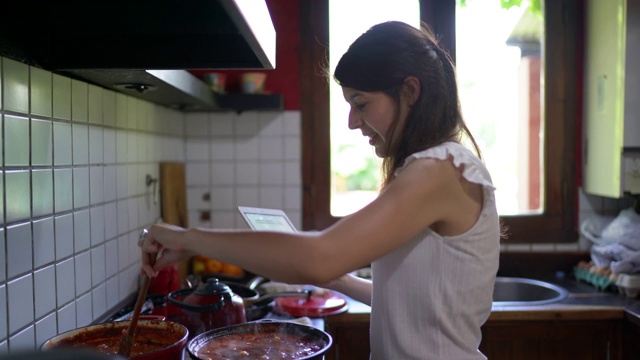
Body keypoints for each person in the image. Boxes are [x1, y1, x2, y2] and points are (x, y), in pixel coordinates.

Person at [139, 20, 501, 360]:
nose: (352, 121)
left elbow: (319, 255)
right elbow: (405, 302)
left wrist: (189, 238)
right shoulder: (433, 168)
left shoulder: (440, 170)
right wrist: (334, 278)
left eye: (361, 104)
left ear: (410, 91)